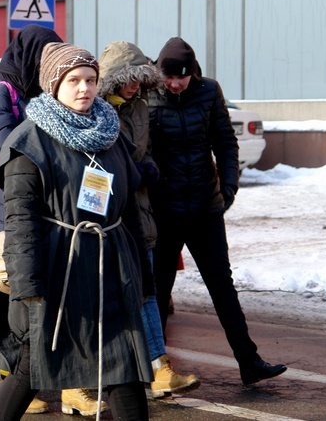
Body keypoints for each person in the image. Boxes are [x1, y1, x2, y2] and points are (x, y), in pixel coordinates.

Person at [0, 42, 152, 421]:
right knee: (32, 366)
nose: (85, 88)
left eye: (91, 80)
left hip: (111, 265)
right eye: (74, 80)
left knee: (123, 364)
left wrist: (143, 272)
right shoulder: (28, 142)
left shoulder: (111, 133)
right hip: (56, 270)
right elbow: (21, 221)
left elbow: (128, 207)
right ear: (53, 84)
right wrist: (27, 287)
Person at [147, 37, 287, 386]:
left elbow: (225, 141)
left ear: (194, 73)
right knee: (159, 290)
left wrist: (228, 189)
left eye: (182, 77)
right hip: (165, 212)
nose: (175, 84)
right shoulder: (148, 96)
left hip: (205, 209)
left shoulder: (209, 92)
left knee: (222, 287)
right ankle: (153, 369)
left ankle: (249, 362)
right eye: (169, 77)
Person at [0, 24, 79, 415]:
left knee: (43, 301)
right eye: (44, 53)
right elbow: (6, 145)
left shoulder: (43, 91)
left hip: (49, 207)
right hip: (12, 203)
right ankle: (14, 379)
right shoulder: (2, 93)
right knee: (15, 302)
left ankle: (38, 376)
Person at [98, 40, 201, 399]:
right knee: (106, 299)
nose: (134, 86)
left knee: (147, 291)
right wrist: (131, 171)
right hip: (106, 219)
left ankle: (159, 368)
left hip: (140, 214)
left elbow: (149, 155)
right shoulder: (96, 110)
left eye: (140, 79)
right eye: (128, 79)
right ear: (113, 79)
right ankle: (96, 375)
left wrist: (149, 170)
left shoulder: (141, 107)